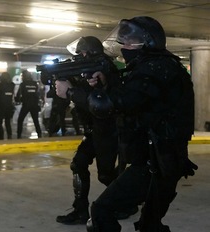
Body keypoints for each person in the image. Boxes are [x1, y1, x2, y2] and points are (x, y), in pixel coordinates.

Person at [85, 16, 198, 232]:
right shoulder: (156, 66)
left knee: (101, 212)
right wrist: (107, 83)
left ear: (147, 43)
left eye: (128, 42)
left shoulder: (156, 68)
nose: (123, 47)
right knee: (150, 225)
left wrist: (72, 92)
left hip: (157, 163)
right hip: (159, 160)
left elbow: (116, 104)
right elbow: (137, 100)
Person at [55, 36, 136, 225]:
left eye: (83, 53)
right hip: (94, 129)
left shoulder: (106, 69)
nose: (80, 57)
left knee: (106, 175)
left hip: (109, 131)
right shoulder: (87, 70)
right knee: (78, 164)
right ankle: (80, 209)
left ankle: (128, 202)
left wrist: (73, 91)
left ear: (91, 52)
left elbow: (103, 104)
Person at [15, 70, 42, 139]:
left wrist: (17, 100)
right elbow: (38, 94)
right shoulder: (35, 83)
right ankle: (39, 134)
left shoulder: (23, 84)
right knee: (36, 121)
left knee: (20, 120)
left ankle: (19, 135)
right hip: (34, 105)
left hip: (26, 105)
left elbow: (18, 95)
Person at [0, 72, 15, 139]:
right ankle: (9, 135)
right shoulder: (12, 85)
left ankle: (1, 136)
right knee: (8, 122)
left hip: (0, 107)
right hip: (9, 106)